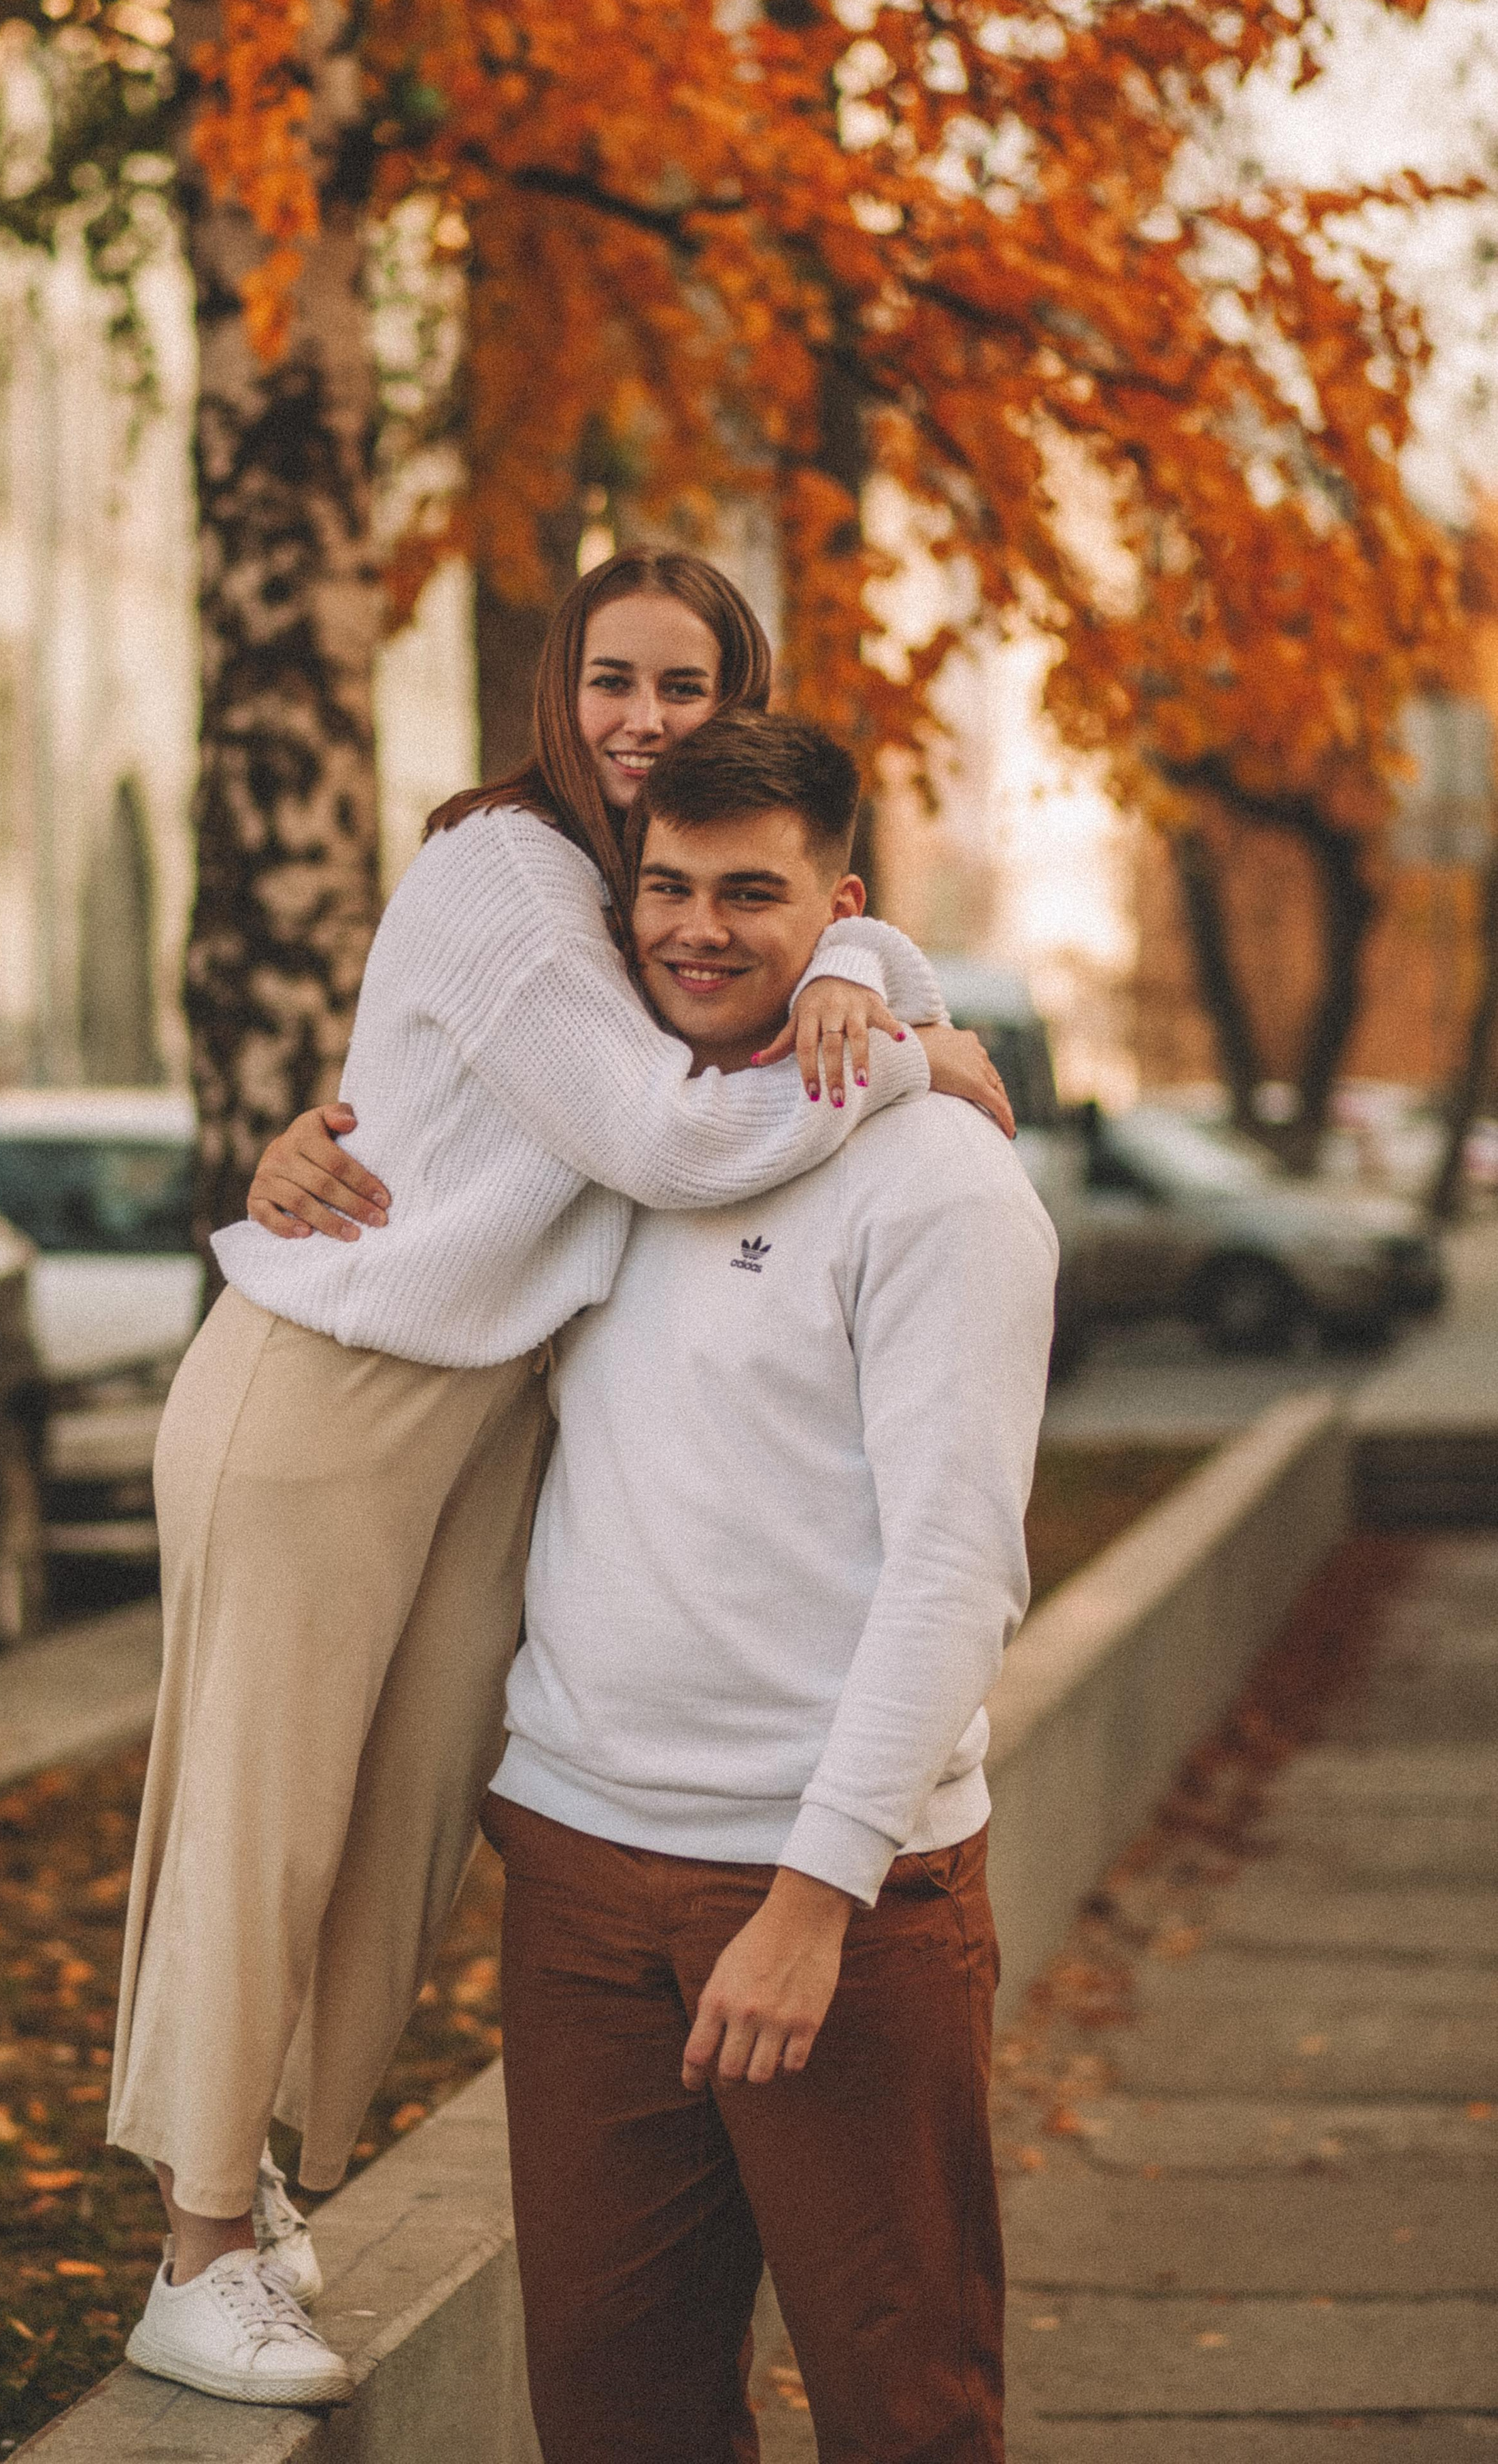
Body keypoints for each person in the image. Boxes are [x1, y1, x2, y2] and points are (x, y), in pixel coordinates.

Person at [109, 551, 1012, 2408]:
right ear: (557, 689)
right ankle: (193, 2245)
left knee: (406, 1823)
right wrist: (914, 1062)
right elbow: (673, 1136)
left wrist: (868, 972)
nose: (643, 720)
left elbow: (836, 929)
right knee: (263, 1812)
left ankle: (273, 2185)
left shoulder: (646, 880)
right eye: (613, 679)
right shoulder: (508, 871)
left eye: (688, 687)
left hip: (472, 1411)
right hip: (335, 1391)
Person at [480, 711, 1057, 2464]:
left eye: (753, 893)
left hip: (830, 1900)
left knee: (905, 2407)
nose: (698, 930)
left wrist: (816, 1899)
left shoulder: (940, 1177)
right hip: (579, 1872)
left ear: (844, 911)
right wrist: (295, 1170)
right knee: (615, 2412)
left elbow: (962, 1570)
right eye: (667, 886)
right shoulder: (616, 1139)